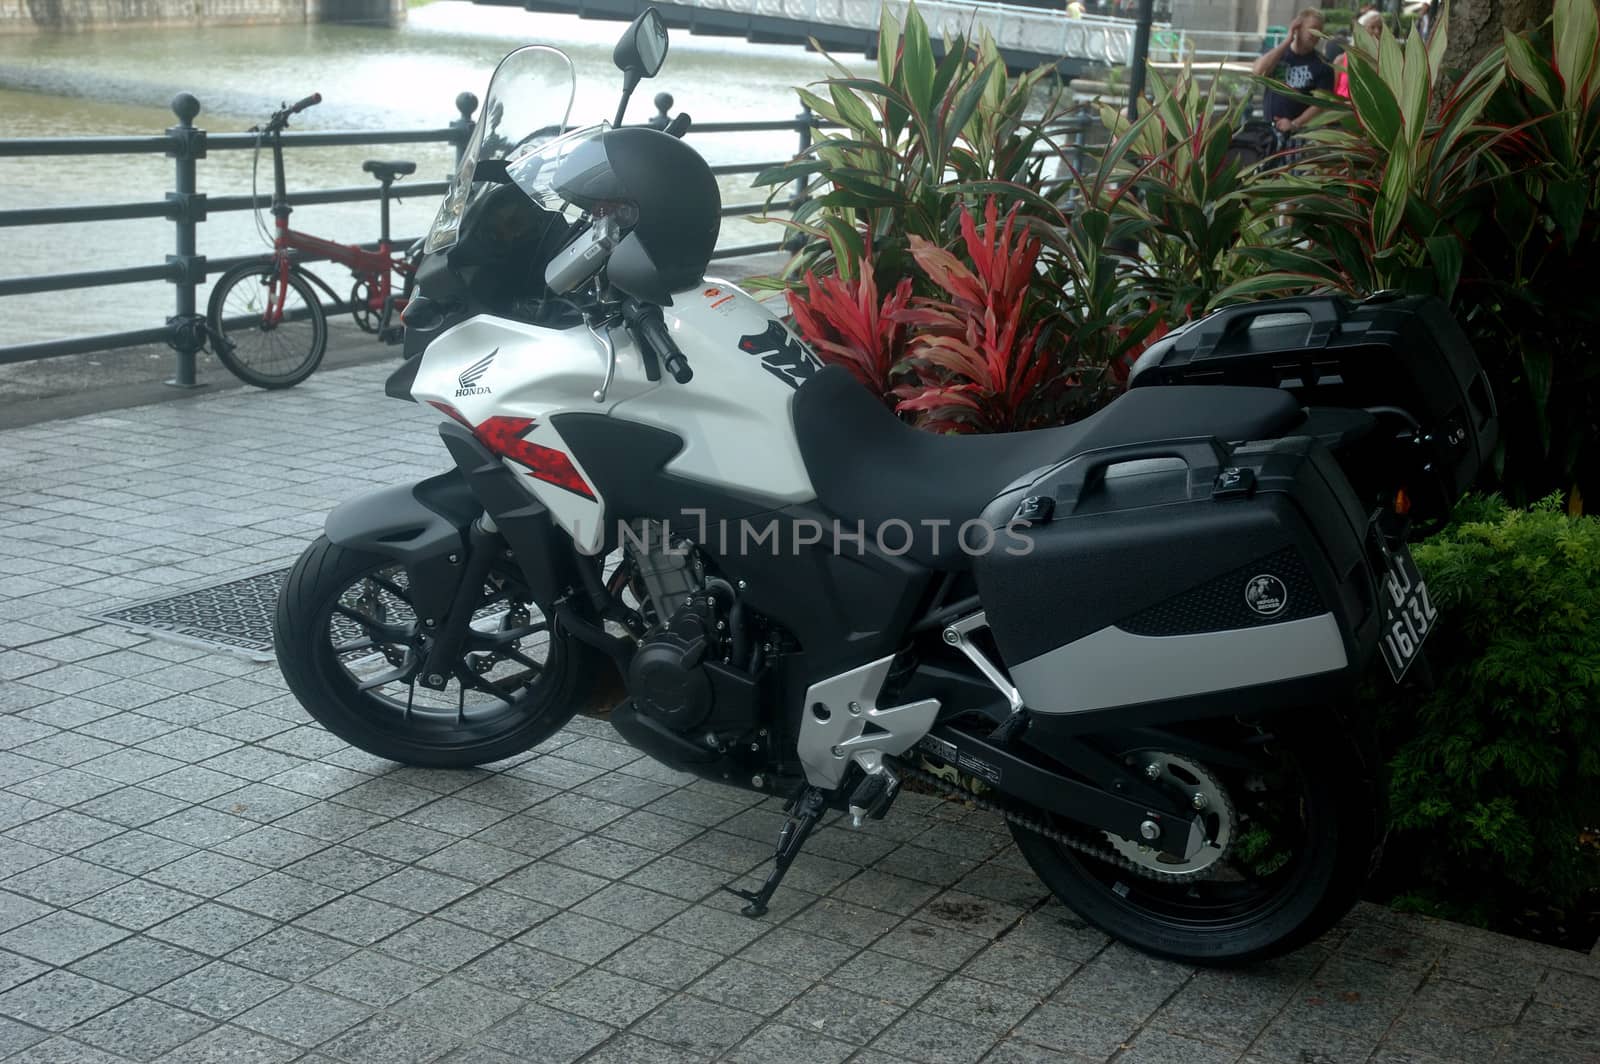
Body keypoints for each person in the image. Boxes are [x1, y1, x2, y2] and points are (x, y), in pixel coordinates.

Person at [1252, 9, 1335, 157]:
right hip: (1268, 133)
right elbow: (1258, 73)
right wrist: (1287, 40)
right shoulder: (1278, 55)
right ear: (1298, 27)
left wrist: (1295, 124)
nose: (1315, 34)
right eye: (1312, 28)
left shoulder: (1323, 66)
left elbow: (1321, 103)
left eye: (1319, 31)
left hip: (1299, 137)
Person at [1334, 11, 1382, 99]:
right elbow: (1331, 93)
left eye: (1380, 28)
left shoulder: (1383, 63)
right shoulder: (1341, 60)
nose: (1377, 31)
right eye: (1372, 27)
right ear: (1360, 30)